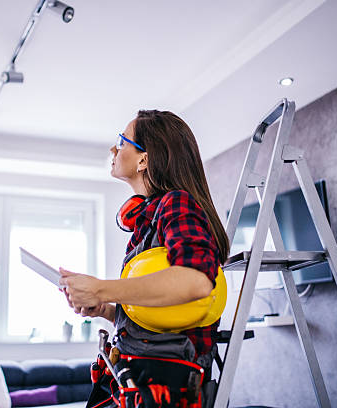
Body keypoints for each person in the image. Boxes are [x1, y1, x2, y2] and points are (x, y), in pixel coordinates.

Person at [59, 110, 230, 408]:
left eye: (121, 142)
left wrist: (101, 288)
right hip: (135, 381)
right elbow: (158, 318)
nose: (113, 149)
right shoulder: (146, 220)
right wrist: (105, 309)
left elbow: (197, 281)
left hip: (165, 390)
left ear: (143, 159)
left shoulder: (177, 204)